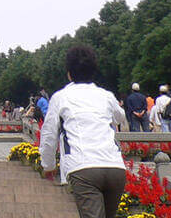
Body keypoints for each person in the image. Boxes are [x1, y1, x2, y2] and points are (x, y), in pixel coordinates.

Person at [40, 46, 126, 218]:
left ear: (69, 73)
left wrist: (48, 165)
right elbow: (120, 117)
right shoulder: (106, 95)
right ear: (94, 70)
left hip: (83, 168)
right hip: (115, 167)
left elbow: (49, 135)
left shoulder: (60, 97)